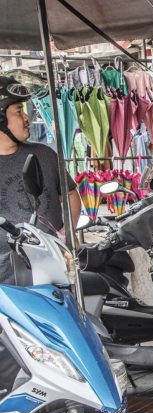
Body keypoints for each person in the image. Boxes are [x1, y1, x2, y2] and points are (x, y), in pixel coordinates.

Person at [0, 76, 80, 285]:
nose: (27, 117)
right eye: (19, 111)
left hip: (56, 273)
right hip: (6, 282)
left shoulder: (44, 154)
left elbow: (70, 194)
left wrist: (68, 230)